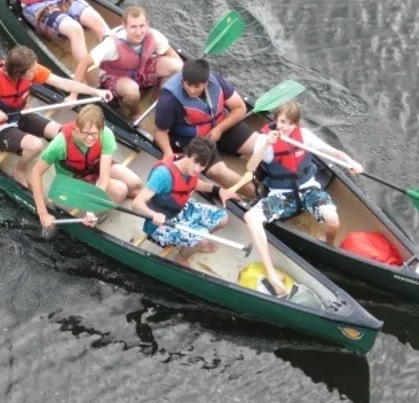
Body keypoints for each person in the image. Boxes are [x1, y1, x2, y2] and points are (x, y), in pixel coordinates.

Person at [239, 102, 363, 294]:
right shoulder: (265, 140)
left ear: (296, 124)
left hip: (308, 189)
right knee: (251, 218)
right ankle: (271, 273)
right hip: (282, 195)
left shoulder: (304, 136)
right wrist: (266, 145)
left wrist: (350, 162)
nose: (285, 127)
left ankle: (328, 249)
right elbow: (250, 166)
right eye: (282, 122)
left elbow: (333, 152)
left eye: (290, 124)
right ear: (276, 120)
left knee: (333, 220)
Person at [0, 46, 111, 186]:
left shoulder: (30, 68)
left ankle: (75, 168)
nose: (35, 72)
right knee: (36, 145)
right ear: (19, 74)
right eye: (31, 71)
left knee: (64, 133)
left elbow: (63, 83)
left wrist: (96, 92)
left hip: (22, 114)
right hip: (0, 126)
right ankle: (20, 169)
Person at [153, 58, 259, 196]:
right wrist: (168, 154)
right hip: (192, 140)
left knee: (261, 145)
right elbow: (160, 131)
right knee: (218, 172)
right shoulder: (169, 99)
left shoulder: (217, 81)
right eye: (188, 84)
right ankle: (257, 195)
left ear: (206, 82)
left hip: (219, 127)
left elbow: (240, 108)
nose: (191, 90)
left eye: (197, 86)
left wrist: (219, 129)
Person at [30, 104, 143, 229]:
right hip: (73, 179)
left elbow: (104, 176)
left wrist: (94, 202)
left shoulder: (105, 134)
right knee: (120, 190)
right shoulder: (59, 144)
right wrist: (43, 213)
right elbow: (36, 172)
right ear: (76, 129)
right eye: (85, 133)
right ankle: (96, 216)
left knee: (135, 183)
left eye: (94, 134)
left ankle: (103, 200)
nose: (90, 138)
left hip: (93, 167)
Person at [132, 138, 238, 267]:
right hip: (161, 223)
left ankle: (193, 244)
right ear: (187, 154)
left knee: (222, 218)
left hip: (183, 209)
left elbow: (193, 183)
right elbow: (137, 203)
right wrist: (153, 215)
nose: (197, 169)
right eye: (195, 162)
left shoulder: (190, 170)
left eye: (202, 165)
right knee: (203, 238)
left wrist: (218, 190)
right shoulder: (162, 175)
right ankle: (182, 257)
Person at [73, 6, 183, 115]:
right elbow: (84, 63)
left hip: (141, 70)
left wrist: (184, 76)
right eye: (133, 27)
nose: (138, 32)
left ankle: (158, 96)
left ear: (147, 24)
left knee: (178, 67)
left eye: (142, 26)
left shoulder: (154, 36)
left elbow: (170, 52)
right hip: (117, 76)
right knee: (132, 91)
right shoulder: (111, 45)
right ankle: (135, 112)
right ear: (124, 26)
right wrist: (73, 95)